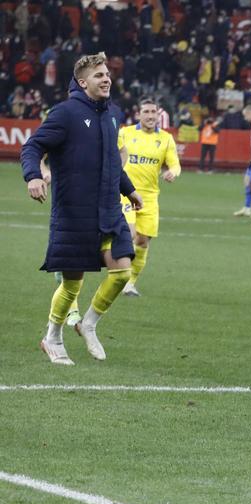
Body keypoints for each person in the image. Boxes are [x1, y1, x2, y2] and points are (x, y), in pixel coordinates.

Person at [21, 52, 144, 365]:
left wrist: (128, 190)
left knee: (121, 272)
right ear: (82, 81)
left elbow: (112, 160)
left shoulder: (113, 113)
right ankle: (53, 336)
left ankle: (88, 323)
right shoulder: (65, 114)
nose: (106, 79)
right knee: (72, 282)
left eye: (107, 74)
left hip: (108, 209)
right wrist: (33, 176)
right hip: (75, 213)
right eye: (99, 75)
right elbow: (33, 146)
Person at [117, 98, 180, 297]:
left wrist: (173, 173)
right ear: (139, 114)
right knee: (131, 234)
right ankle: (118, 272)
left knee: (143, 241)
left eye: (154, 112)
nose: (151, 116)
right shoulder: (125, 133)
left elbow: (175, 164)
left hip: (150, 197)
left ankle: (129, 283)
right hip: (126, 193)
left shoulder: (166, 139)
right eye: (146, 112)